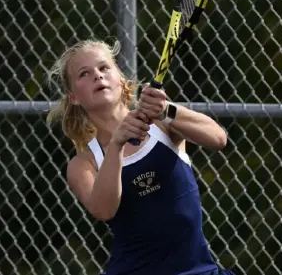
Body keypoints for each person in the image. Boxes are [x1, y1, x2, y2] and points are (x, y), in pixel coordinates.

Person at [47, 39, 235, 275]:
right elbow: (104, 210)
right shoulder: (84, 164)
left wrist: (167, 110)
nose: (97, 75)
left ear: (120, 79)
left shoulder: (161, 124)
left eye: (104, 68)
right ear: (74, 96)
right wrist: (116, 145)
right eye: (84, 73)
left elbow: (218, 138)